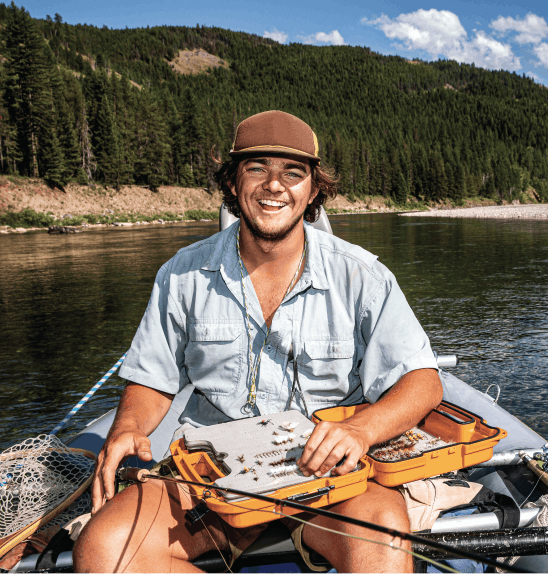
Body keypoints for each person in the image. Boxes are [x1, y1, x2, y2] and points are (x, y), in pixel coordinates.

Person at [72, 110, 443, 573]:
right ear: (232, 183)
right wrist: (128, 427)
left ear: (313, 189)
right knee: (103, 548)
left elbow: (422, 381)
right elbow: (153, 379)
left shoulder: (363, 276)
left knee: (385, 539)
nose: (274, 185)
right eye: (256, 169)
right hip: (211, 478)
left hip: (327, 479)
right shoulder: (181, 275)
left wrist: (360, 430)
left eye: (293, 172)